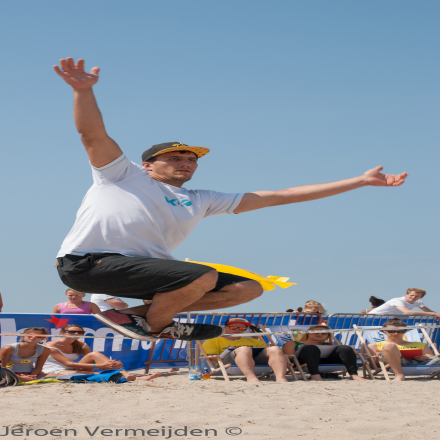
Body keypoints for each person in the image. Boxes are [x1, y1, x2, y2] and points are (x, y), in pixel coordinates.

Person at [53, 57, 408, 343]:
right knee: (203, 275)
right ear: (148, 164)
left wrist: (360, 181)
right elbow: (92, 135)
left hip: (146, 271)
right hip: (88, 264)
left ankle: (138, 318)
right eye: (174, 158)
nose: (185, 163)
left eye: (191, 159)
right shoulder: (122, 174)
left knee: (248, 288)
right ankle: (158, 324)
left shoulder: (200, 199)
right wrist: (82, 91)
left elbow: (281, 196)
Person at [44, 324, 161, 381]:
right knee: (95, 373)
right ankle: (134, 377)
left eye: (80, 332)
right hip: (54, 370)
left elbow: (92, 358)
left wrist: (110, 364)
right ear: (63, 332)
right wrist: (101, 365)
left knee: (95, 354)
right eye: (72, 332)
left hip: (72, 368)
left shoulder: (81, 344)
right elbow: (69, 364)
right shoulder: (51, 346)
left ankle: (124, 373)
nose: (76, 334)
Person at [202, 318, 288, 382]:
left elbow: (269, 354)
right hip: (229, 364)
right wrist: (232, 352)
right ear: (224, 328)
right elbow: (211, 358)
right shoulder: (213, 340)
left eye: (242, 329)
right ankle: (251, 378)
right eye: (233, 328)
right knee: (244, 349)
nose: (238, 330)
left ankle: (281, 378)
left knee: (275, 349)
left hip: (257, 363)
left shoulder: (254, 341)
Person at [283, 324, 366, 381]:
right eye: (316, 332)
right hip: (304, 363)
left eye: (324, 333)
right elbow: (290, 357)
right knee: (310, 348)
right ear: (308, 333)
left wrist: (339, 347)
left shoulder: (328, 345)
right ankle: (315, 375)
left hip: (326, 362)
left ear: (327, 336)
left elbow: (354, 352)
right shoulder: (293, 343)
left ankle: (354, 375)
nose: (320, 334)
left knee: (344, 348)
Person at [367, 318, 440, 382]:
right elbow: (374, 366)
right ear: (384, 331)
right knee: (389, 346)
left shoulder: (421, 345)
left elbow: (432, 358)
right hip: (393, 364)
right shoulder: (374, 346)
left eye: (400, 331)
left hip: (420, 364)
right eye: (391, 331)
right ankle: (399, 375)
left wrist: (425, 357)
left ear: (405, 331)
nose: (395, 333)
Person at [368, 288, 440, 319]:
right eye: (411, 295)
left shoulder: (418, 302)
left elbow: (428, 311)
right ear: (406, 294)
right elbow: (407, 312)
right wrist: (433, 314)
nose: (413, 297)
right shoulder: (397, 300)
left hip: (384, 319)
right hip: (371, 318)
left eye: (416, 296)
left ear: (421, 297)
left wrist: (436, 314)